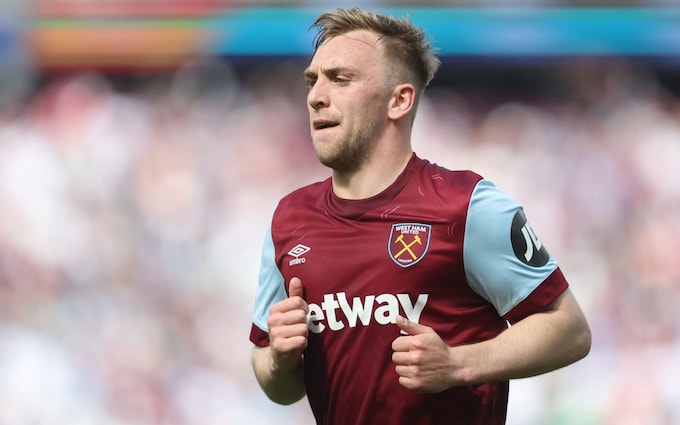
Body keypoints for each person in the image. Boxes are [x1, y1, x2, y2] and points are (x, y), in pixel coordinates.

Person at [249, 8, 591, 425]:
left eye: (340, 79)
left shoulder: (466, 205)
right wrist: (280, 362)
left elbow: (570, 329)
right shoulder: (289, 219)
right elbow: (278, 386)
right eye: (312, 79)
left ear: (400, 100)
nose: (316, 95)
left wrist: (458, 364)